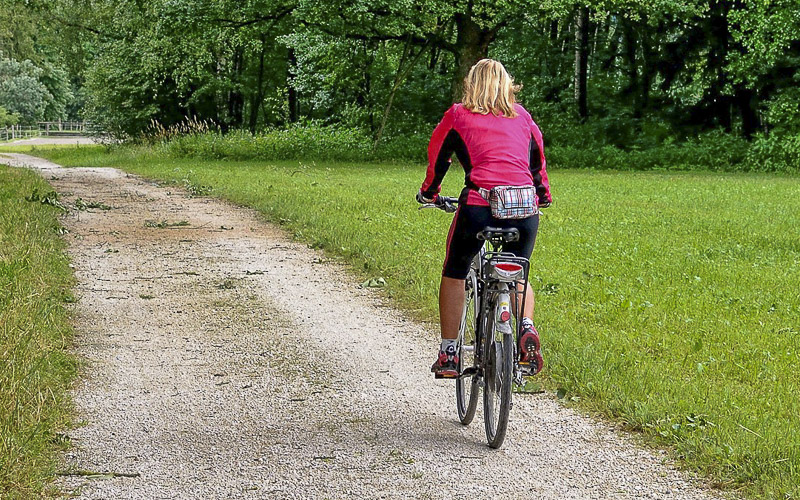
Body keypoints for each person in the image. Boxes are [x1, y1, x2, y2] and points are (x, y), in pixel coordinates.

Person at [416, 58, 552, 379]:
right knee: (518, 270)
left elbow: (439, 158)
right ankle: (526, 327)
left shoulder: (458, 115)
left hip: (480, 207)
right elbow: (538, 164)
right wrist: (542, 197)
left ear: (470, 85)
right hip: (524, 210)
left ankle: (449, 353)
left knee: (455, 270)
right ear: (507, 86)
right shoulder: (523, 118)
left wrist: (430, 193)